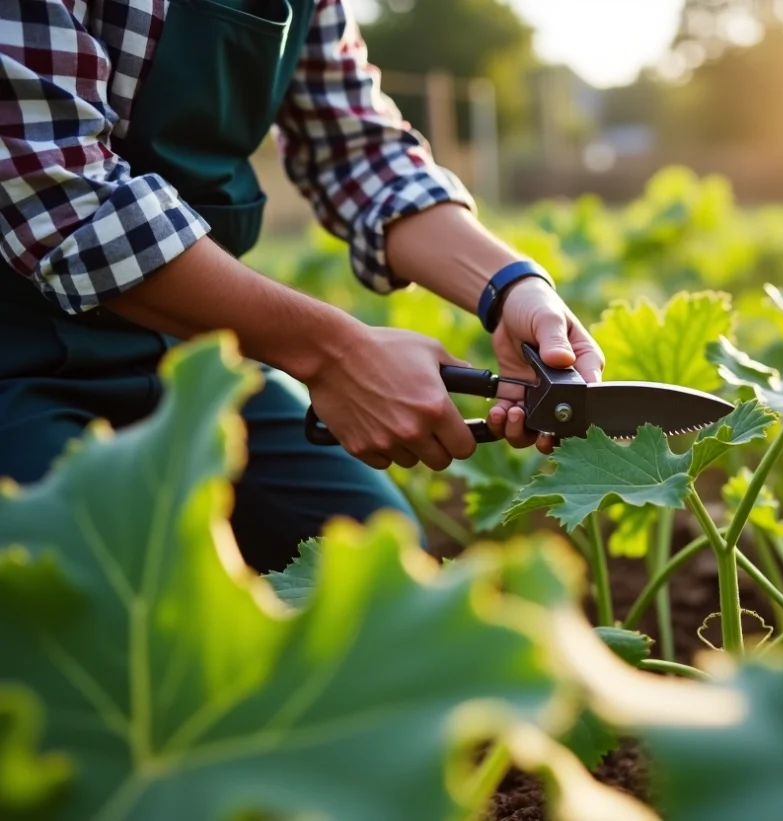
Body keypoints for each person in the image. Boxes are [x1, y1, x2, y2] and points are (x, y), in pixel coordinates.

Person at [0, 0, 604, 572]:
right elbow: (61, 192)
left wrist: (513, 286)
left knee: (366, 565)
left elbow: (358, 154)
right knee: (81, 583)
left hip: (198, 347)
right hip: (18, 348)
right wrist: (334, 352)